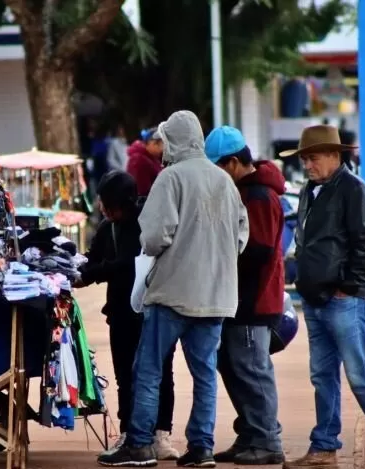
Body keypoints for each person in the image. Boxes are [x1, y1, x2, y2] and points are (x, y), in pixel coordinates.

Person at [98, 111, 249, 468]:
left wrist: (172, 251)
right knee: (204, 374)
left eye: (166, 139)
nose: (162, 147)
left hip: (173, 293)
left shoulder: (170, 178)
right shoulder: (224, 181)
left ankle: (138, 445)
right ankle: (201, 447)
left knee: (148, 370)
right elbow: (241, 235)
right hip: (216, 296)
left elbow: (152, 237)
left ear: (176, 140)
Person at [279, 125, 365, 469]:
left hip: (345, 299)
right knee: (322, 375)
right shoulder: (312, 190)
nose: (307, 165)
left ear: (334, 155)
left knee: (358, 373)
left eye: (312, 158)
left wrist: (348, 285)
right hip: (315, 298)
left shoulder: (354, 189)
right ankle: (323, 446)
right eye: (304, 159)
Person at [76, 170, 179, 461]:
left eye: (110, 205)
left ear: (126, 202)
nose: (105, 210)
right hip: (120, 313)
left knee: (161, 375)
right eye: (102, 204)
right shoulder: (108, 227)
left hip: (152, 310)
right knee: (125, 376)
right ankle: (129, 432)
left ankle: (160, 434)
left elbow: (128, 264)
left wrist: (92, 273)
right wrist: (77, 268)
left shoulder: (147, 225)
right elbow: (94, 257)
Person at [205, 126, 286, 465]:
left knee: (252, 371)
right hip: (237, 299)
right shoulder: (243, 191)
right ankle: (250, 434)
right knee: (234, 368)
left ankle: (267, 441)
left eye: (217, 167)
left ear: (234, 163)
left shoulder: (258, 197)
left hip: (254, 301)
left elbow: (259, 250)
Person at [126, 127, 164, 196]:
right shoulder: (139, 160)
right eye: (162, 144)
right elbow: (142, 191)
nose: (163, 148)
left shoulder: (152, 158)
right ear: (153, 143)